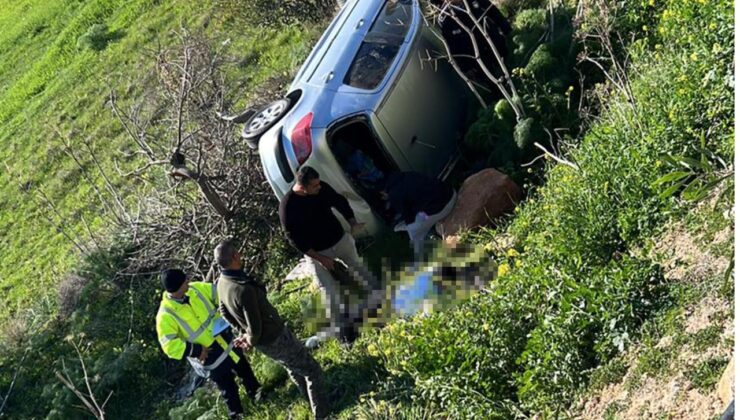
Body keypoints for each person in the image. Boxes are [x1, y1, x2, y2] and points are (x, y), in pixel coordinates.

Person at [213, 241, 329, 419]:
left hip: (267, 341)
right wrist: (249, 338)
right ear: (235, 256)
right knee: (311, 370)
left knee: (293, 368)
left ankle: (312, 404)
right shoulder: (243, 289)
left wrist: (242, 332)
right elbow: (256, 327)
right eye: (238, 252)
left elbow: (223, 311)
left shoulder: (222, 282)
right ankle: (322, 413)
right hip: (274, 337)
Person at [279, 166, 379, 341]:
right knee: (329, 290)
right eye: (315, 186)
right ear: (303, 187)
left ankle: (383, 299)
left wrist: (353, 222)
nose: (319, 188)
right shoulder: (288, 206)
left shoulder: (321, 188)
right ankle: (345, 332)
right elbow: (294, 239)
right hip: (316, 251)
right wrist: (321, 259)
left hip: (339, 240)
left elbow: (339, 201)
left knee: (359, 268)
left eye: (319, 184)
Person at [155, 269, 260, 420]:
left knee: (243, 368)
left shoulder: (196, 289)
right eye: (185, 281)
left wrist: (235, 316)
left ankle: (257, 394)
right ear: (177, 287)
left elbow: (221, 294)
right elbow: (169, 346)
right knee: (227, 387)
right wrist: (196, 351)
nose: (188, 282)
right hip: (208, 355)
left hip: (226, 340)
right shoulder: (165, 315)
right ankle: (237, 415)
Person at [381, 171, 457, 258]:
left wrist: (404, 223)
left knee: (413, 231)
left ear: (382, 192)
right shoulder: (406, 175)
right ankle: (427, 231)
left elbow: (409, 219)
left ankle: (425, 253)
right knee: (422, 214)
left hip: (443, 208)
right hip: (450, 193)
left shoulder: (393, 195)